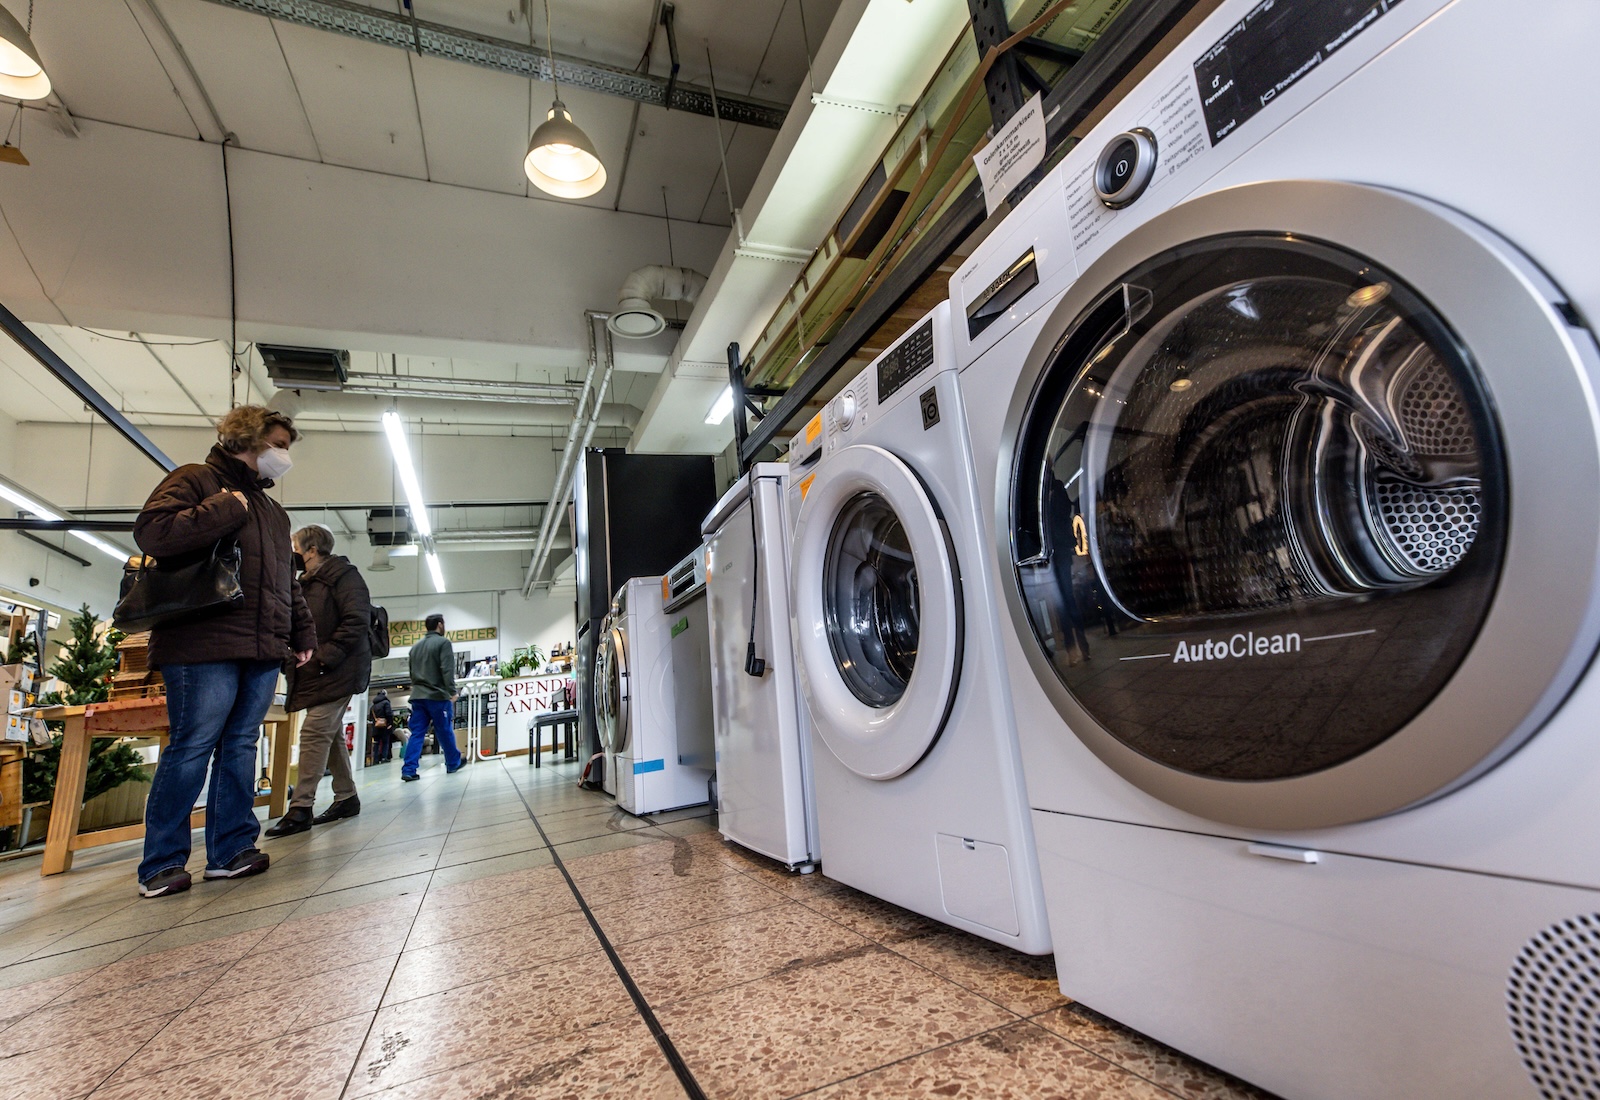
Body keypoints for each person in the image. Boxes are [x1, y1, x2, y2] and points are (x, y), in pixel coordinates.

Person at [132, 405, 315, 898]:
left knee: (240, 747)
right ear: (246, 440)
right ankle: (162, 863)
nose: (283, 456)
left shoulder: (274, 512)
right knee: (192, 746)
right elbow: (153, 532)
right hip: (201, 643)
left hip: (261, 645)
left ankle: (230, 849)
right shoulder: (196, 479)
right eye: (278, 444)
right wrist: (228, 507)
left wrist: (301, 632)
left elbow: (285, 582)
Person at [265, 525, 372, 837]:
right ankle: (347, 797)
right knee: (330, 732)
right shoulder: (306, 583)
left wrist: (324, 656)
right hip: (321, 670)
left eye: (295, 546)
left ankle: (300, 808)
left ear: (311, 550)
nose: (291, 553)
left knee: (314, 730)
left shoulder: (343, 576)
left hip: (339, 668)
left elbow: (357, 620)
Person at [403, 614, 461, 781]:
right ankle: (452, 763)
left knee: (417, 733)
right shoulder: (443, 643)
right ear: (439, 625)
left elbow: (412, 674)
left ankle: (408, 769)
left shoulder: (414, 648)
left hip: (418, 696)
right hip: (437, 696)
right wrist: (452, 691)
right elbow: (447, 670)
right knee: (444, 730)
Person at [370, 689, 395, 763]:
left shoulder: (373, 706)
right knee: (385, 742)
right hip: (384, 726)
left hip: (376, 727)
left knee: (376, 743)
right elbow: (389, 714)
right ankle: (384, 757)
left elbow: (370, 717)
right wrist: (390, 723)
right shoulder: (386, 703)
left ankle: (375, 759)